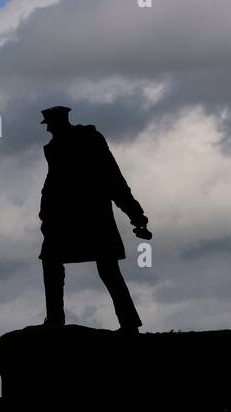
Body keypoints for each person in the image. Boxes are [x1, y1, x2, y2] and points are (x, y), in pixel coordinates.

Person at [37, 105, 152, 334]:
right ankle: (56, 319)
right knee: (55, 262)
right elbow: (53, 187)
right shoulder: (56, 147)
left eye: (50, 124)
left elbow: (113, 178)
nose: (48, 128)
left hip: (89, 218)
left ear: (58, 122)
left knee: (106, 268)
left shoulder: (88, 140)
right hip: (66, 220)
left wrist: (135, 214)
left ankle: (127, 323)